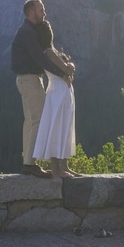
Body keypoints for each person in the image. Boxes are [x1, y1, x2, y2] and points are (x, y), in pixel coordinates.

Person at [10, 0, 68, 178]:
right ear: (30, 13)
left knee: (31, 122)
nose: (44, 13)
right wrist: (61, 73)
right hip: (30, 80)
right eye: (41, 10)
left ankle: (29, 162)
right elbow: (39, 58)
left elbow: (44, 52)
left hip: (28, 80)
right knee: (38, 120)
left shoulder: (29, 31)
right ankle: (30, 164)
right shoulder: (27, 32)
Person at [32, 19, 80, 178]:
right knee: (58, 127)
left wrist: (69, 68)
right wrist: (70, 67)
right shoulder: (49, 52)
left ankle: (64, 166)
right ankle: (58, 168)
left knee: (64, 127)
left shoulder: (49, 51)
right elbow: (66, 68)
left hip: (60, 91)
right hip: (58, 91)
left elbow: (67, 69)